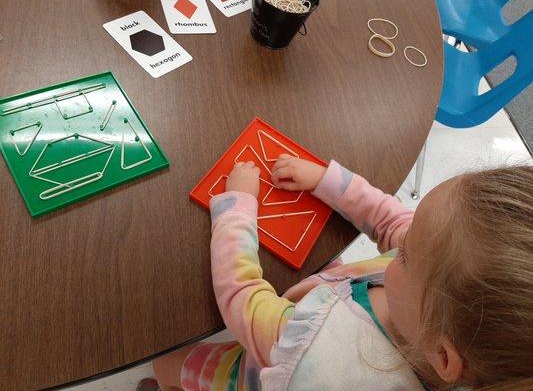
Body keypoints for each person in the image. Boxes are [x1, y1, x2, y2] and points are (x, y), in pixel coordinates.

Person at [139, 156, 533, 391]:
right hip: (325, 300)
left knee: (165, 364)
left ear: (443, 355)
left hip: (262, 368)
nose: (403, 241)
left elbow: (242, 296)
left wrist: (237, 206)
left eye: (407, 256)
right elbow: (390, 220)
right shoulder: (443, 293)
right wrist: (327, 181)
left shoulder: (316, 347)